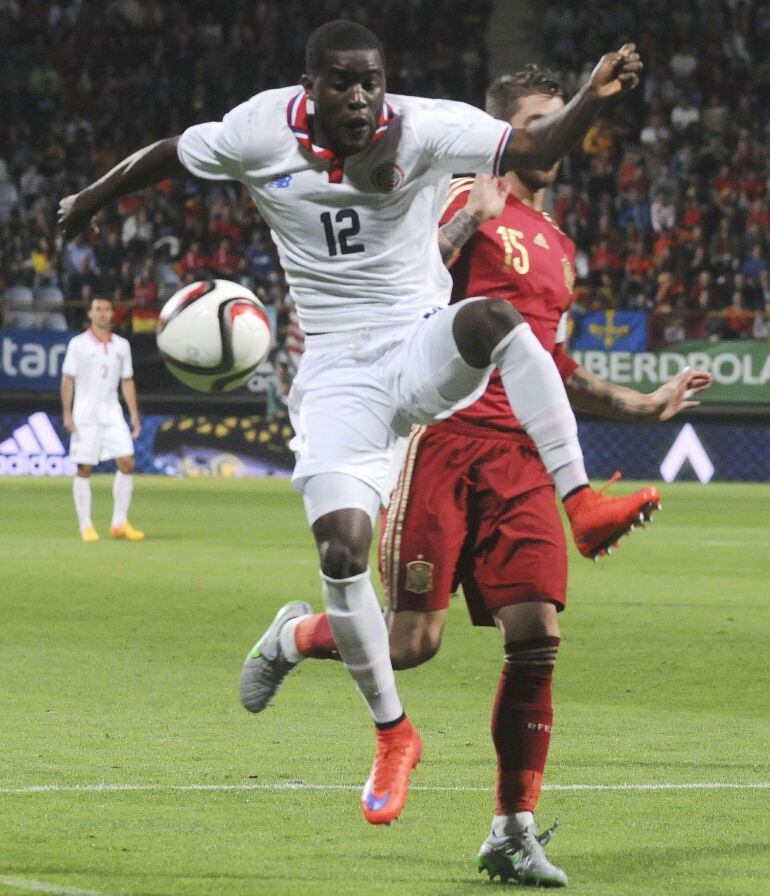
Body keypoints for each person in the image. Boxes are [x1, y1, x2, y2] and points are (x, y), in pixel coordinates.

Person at [58, 20, 644, 826]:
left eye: (371, 80)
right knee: (340, 550)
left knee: (493, 321)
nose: (361, 96)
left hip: (418, 340)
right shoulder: (259, 129)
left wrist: (589, 97)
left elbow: (534, 145)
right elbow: (169, 151)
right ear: (312, 87)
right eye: (343, 82)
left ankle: (581, 502)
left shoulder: (426, 125)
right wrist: (91, 200)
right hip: (337, 372)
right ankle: (395, 734)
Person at [237, 64, 712, 881]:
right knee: (411, 643)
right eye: (539, 119)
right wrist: (464, 226)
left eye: (560, 118)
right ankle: (294, 636)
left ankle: (510, 829)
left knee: (538, 638)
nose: (554, 132)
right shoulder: (460, 195)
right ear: (510, 130)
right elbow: (394, 286)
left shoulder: (559, 247)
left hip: (523, 456)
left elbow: (551, 364)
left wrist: (645, 405)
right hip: (443, 440)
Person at [60, 297, 144, 542]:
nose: (103, 314)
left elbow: (126, 381)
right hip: (86, 415)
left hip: (112, 413)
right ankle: (86, 525)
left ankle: (119, 522)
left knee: (127, 463)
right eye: (98, 309)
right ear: (90, 314)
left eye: (107, 310)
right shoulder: (78, 344)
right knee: (85, 468)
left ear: (112, 314)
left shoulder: (122, 346)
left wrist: (134, 415)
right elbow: (68, 379)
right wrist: (67, 413)